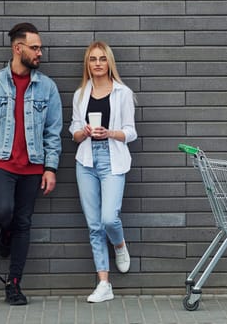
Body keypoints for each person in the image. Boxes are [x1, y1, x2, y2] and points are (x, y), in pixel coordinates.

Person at [0, 22, 62, 305]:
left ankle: (13, 285)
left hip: (33, 167)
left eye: (40, 47)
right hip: (1, 163)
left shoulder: (47, 87)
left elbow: (53, 131)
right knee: (3, 210)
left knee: (24, 222)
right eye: (34, 47)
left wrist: (51, 168)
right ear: (18, 48)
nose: (40, 53)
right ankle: (5, 231)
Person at [69, 41, 137, 303]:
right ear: (88, 64)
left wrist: (109, 133)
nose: (97, 63)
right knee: (94, 225)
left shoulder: (122, 93)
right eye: (92, 59)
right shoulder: (80, 94)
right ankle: (104, 283)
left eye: (102, 59)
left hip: (112, 160)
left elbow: (131, 132)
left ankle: (119, 245)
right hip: (86, 161)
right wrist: (82, 133)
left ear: (109, 63)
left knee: (109, 218)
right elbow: (74, 131)